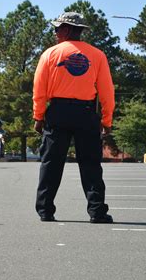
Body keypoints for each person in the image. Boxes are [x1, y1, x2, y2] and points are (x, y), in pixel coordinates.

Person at [32, 12, 115, 223]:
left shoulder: (50, 54)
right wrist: (106, 120)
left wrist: (38, 116)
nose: (55, 32)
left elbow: (39, 90)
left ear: (67, 29)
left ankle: (45, 210)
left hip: (58, 112)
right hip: (85, 113)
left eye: (58, 28)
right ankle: (97, 211)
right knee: (90, 164)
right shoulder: (97, 55)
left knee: (51, 162)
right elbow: (106, 92)